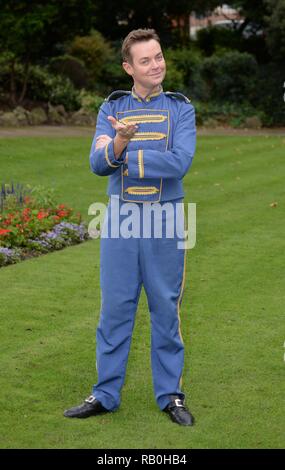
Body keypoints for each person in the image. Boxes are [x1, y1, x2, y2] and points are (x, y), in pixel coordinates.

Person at [64, 28, 196, 426]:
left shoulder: (180, 109)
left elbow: (179, 163)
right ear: (128, 68)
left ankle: (170, 395)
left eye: (159, 57)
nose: (156, 65)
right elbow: (97, 163)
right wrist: (118, 144)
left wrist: (125, 153)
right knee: (115, 310)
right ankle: (105, 394)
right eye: (146, 60)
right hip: (120, 218)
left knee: (164, 310)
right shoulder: (112, 108)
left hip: (166, 218)